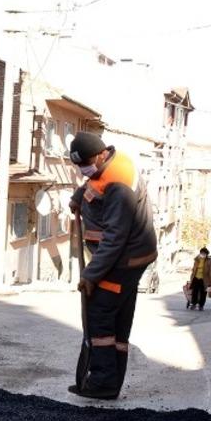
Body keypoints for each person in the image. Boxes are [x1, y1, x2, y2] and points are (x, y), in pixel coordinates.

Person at [67, 132, 157, 400]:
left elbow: (115, 237)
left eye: (86, 163)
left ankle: (104, 383)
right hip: (129, 256)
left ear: (101, 154)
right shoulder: (107, 167)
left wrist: (91, 275)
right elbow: (93, 183)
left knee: (99, 313)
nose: (84, 169)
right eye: (79, 165)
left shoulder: (120, 184)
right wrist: (78, 196)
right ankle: (110, 380)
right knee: (118, 317)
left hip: (125, 260)